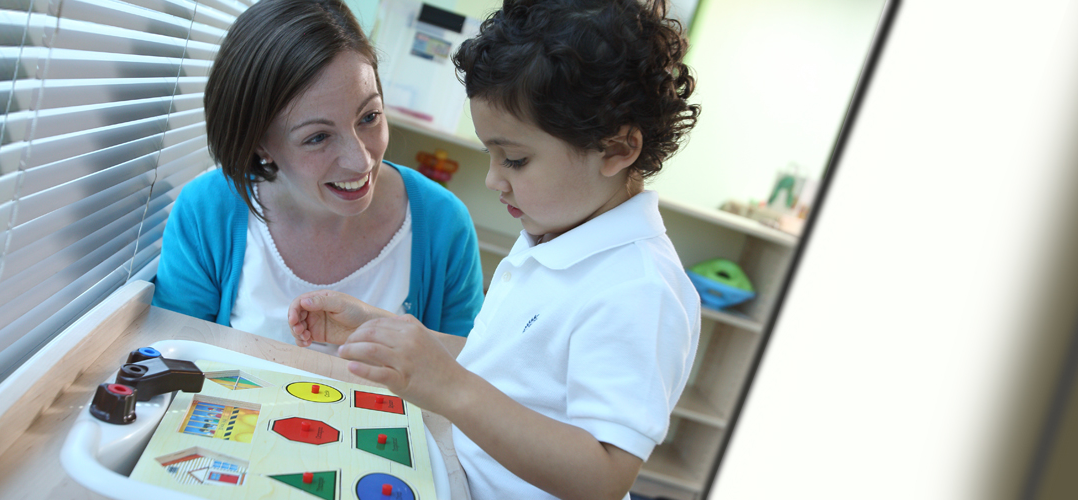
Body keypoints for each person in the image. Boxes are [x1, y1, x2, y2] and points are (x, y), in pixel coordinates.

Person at [288, 0, 702, 498]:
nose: (492, 180)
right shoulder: (554, 239)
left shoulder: (639, 289)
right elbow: (504, 367)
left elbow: (604, 477)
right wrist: (385, 331)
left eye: (516, 160)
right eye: (492, 155)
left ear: (615, 150)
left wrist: (451, 388)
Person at [152, 0, 485, 353]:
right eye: (318, 137)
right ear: (261, 144)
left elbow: (470, 371)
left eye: (369, 117)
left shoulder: (444, 223)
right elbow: (170, 357)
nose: (360, 161)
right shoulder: (205, 212)